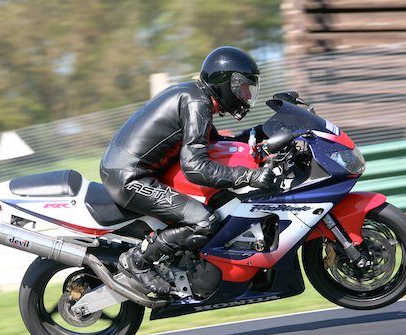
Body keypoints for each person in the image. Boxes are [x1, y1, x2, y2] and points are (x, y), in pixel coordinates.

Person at [100, 46, 275, 295]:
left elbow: (216, 142)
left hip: (129, 170)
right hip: (130, 177)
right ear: (226, 84)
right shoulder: (197, 103)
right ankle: (137, 261)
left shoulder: (196, 96)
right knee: (203, 221)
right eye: (243, 87)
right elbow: (195, 167)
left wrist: (264, 132)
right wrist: (249, 176)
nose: (246, 95)